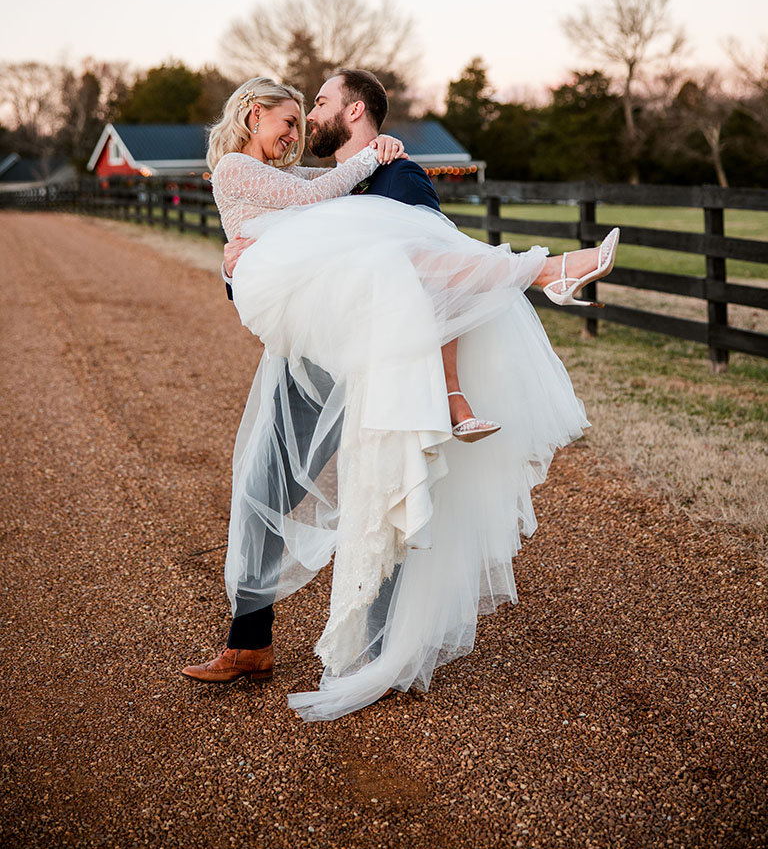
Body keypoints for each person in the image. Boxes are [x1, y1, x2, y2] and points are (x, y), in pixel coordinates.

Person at [184, 72, 619, 721]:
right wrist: (232, 266)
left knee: (381, 492)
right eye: (300, 115)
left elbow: (442, 268)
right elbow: (285, 249)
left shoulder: (399, 177)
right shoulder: (314, 185)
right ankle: (249, 642)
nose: (307, 123)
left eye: (321, 106)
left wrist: (447, 388)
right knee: (260, 489)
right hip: (305, 358)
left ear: (354, 112)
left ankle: (382, 654)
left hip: (369, 364)